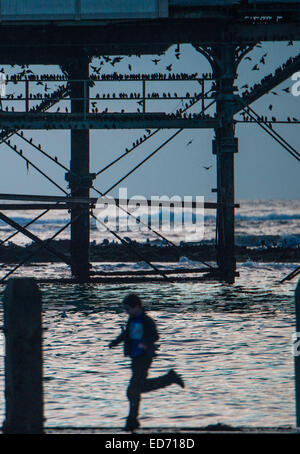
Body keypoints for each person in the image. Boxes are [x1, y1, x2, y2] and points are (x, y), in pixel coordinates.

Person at [109, 293, 185, 431]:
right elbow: (126, 334)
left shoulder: (146, 320)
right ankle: (133, 420)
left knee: (133, 390)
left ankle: (132, 420)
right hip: (135, 357)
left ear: (137, 306)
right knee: (137, 389)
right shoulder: (131, 319)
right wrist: (115, 342)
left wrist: (145, 343)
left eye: (128, 309)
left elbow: (155, 336)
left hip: (144, 357)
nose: (127, 312)